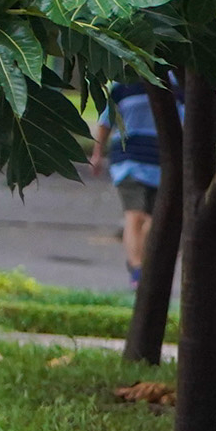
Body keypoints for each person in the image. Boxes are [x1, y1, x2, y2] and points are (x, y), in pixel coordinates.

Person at [88, 81, 163, 286]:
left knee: (154, 220)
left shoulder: (174, 86)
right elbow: (106, 122)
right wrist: (97, 153)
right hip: (128, 159)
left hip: (162, 163)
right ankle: (137, 268)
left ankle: (144, 265)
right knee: (135, 215)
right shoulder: (122, 87)